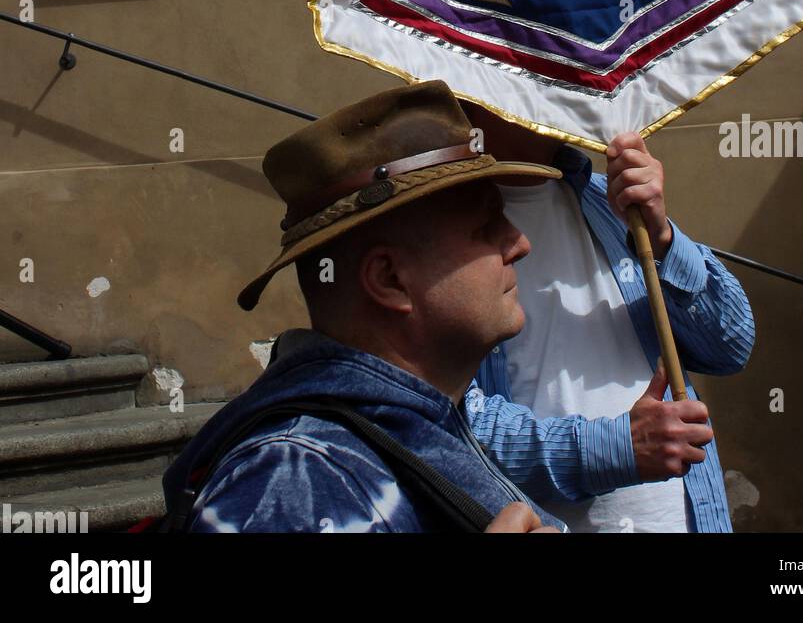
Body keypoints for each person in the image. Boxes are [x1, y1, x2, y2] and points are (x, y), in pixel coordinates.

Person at [160, 79, 568, 533]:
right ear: (390, 280)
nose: (520, 244)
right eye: (487, 226)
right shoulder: (297, 480)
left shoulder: (412, 426)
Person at [465, 108, 755, 533]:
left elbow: (731, 344)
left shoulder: (612, 201)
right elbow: (457, 427)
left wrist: (662, 237)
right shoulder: (439, 235)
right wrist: (619, 447)